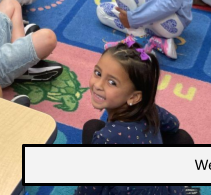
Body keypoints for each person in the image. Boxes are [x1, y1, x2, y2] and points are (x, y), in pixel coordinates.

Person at [78, 43, 192, 195]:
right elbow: (173, 124)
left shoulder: (106, 137)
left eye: (112, 82)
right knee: (181, 137)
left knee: (92, 127)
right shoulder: (149, 109)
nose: (98, 85)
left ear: (134, 96)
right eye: (98, 73)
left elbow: (90, 188)